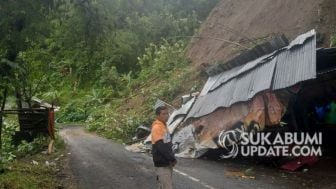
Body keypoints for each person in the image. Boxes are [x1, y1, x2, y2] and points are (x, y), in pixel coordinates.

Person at [151, 106, 176, 189]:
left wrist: (171, 158)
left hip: (166, 162)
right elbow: (161, 147)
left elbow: (167, 144)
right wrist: (171, 159)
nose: (167, 116)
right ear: (158, 116)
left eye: (167, 113)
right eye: (164, 114)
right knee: (167, 186)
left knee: (162, 185)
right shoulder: (157, 127)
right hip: (162, 163)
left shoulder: (163, 126)